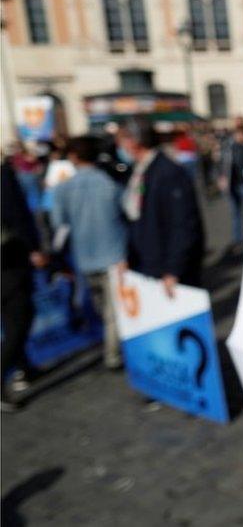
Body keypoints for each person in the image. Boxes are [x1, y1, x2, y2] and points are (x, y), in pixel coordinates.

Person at [50, 135, 128, 369]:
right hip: (113, 252)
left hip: (85, 256)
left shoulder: (63, 188)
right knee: (112, 307)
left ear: (74, 157)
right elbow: (126, 212)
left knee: (102, 305)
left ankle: (112, 352)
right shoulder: (109, 182)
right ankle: (113, 351)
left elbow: (58, 223)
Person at [117, 118, 205, 295]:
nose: (119, 146)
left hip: (166, 267)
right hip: (149, 261)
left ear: (134, 141)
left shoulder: (168, 172)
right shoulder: (140, 170)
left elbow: (183, 224)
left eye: (121, 140)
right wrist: (129, 257)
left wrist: (174, 270)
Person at [1, 159, 46, 411]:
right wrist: (34, 247)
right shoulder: (3, 174)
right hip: (8, 262)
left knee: (11, 318)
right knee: (18, 318)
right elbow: (16, 212)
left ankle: (23, 367)